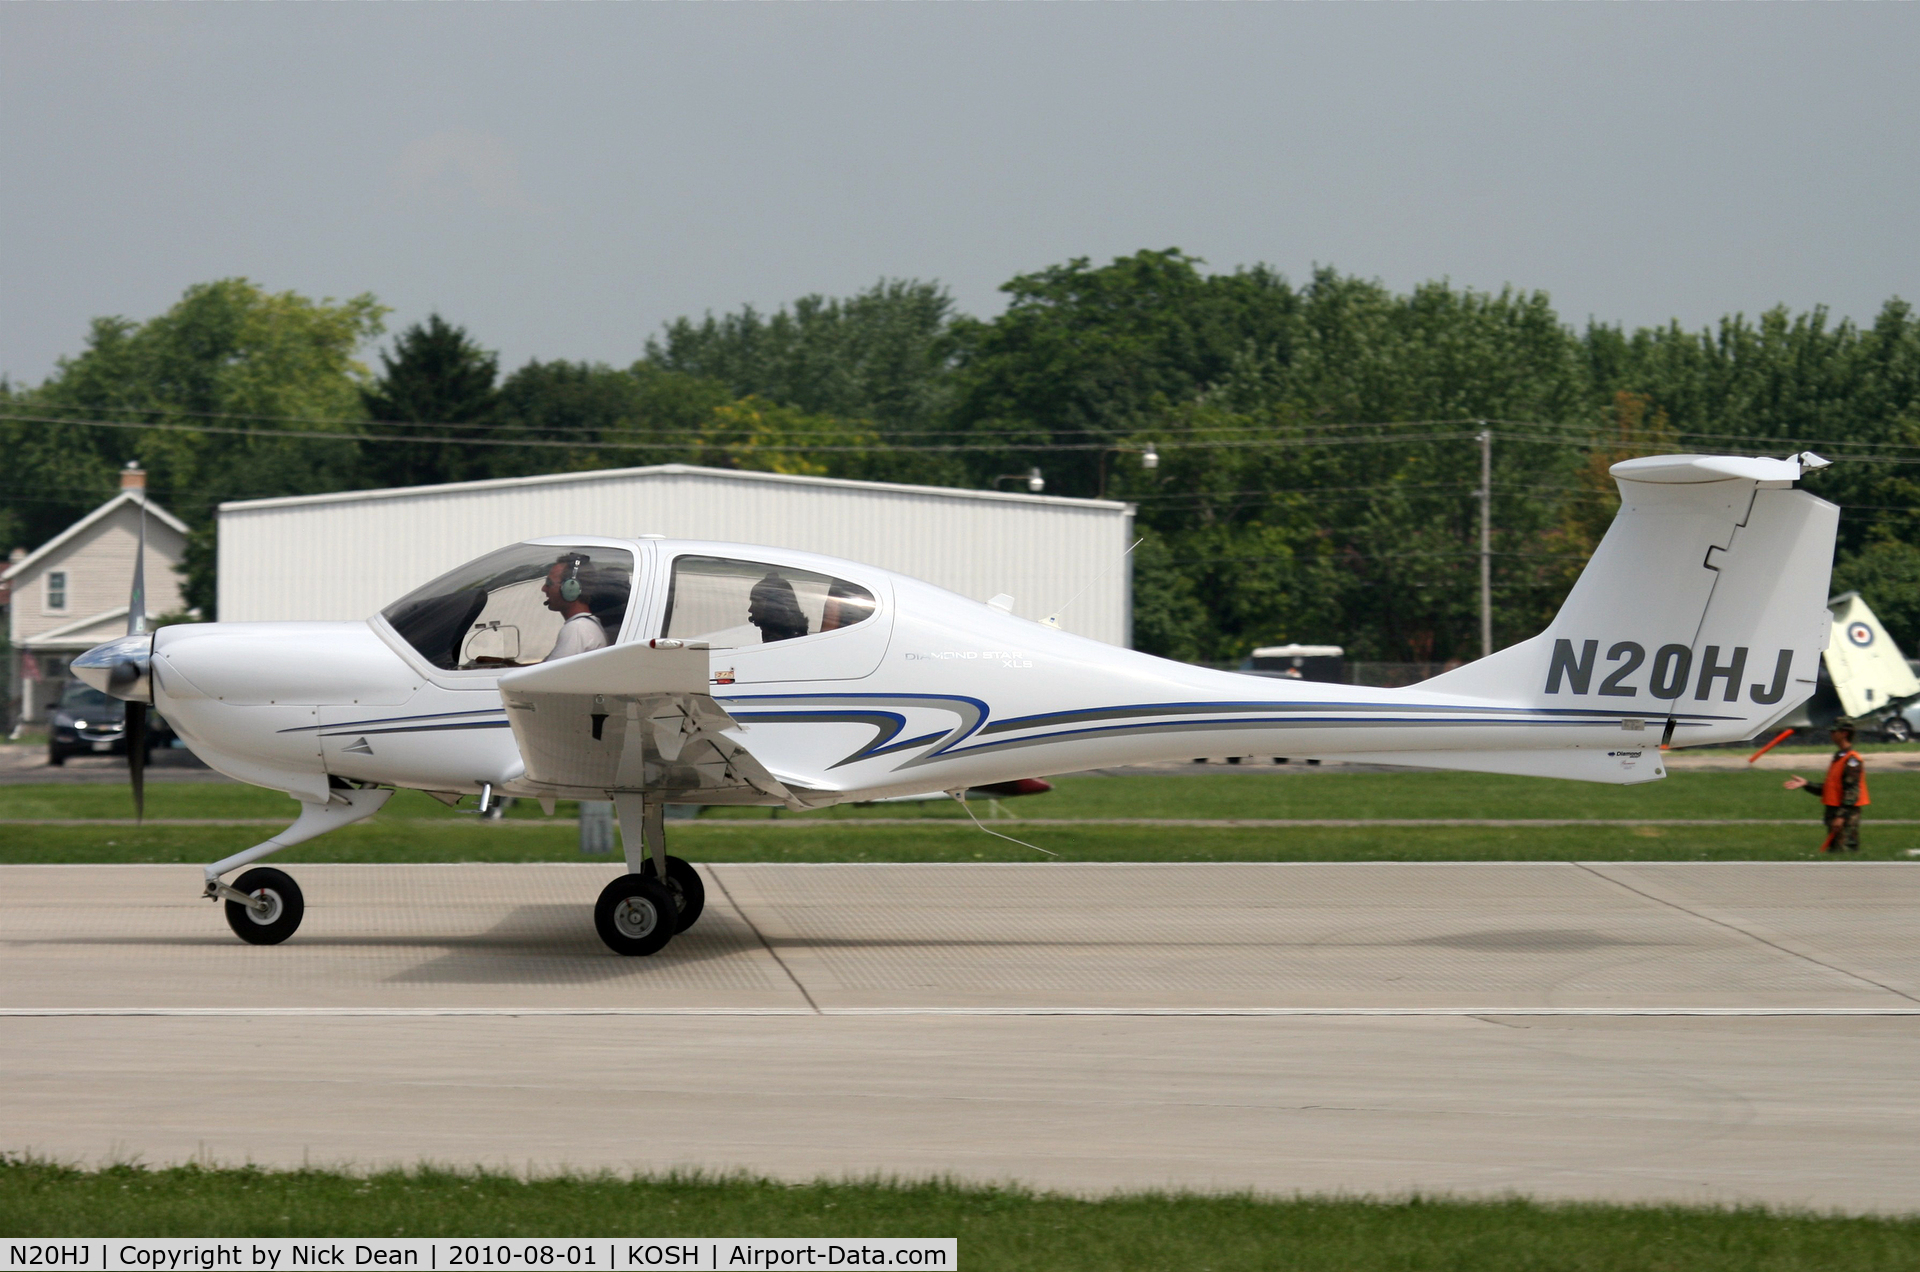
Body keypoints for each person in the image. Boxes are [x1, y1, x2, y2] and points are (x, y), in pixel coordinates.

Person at [1783, 718, 1870, 853]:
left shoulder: (1852, 760)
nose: (1831, 734)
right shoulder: (1839, 757)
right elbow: (1831, 789)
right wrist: (1806, 784)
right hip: (1834, 813)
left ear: (1844, 733)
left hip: (1845, 817)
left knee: (1845, 855)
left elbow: (1851, 792)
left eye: (1834, 731)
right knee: (1835, 855)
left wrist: (1840, 817)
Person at [542, 553, 611, 661]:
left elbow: (547, 676)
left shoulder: (577, 629)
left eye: (549, 583)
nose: (544, 588)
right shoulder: (587, 626)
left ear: (570, 588)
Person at [748, 572, 809, 643]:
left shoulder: (780, 644)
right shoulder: (793, 639)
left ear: (770, 608)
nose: (750, 609)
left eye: (756, 603)